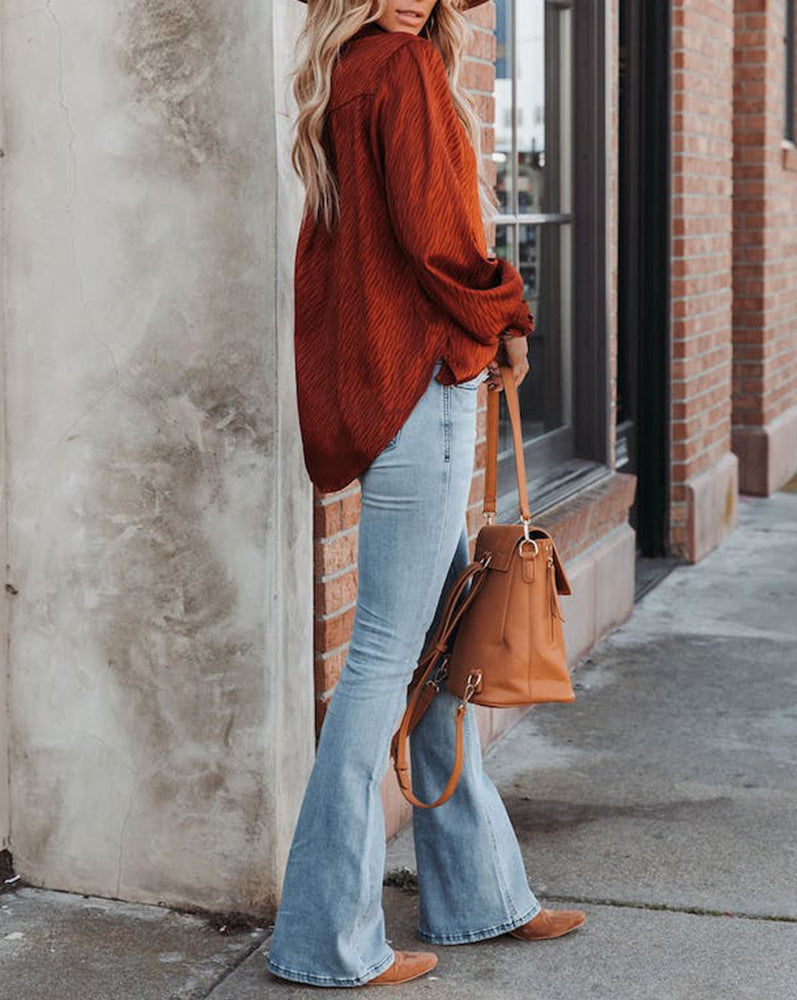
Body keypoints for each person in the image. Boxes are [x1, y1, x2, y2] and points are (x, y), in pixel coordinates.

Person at [265, 0, 585, 988]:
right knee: (378, 666)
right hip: (426, 395)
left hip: (394, 393)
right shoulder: (395, 67)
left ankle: (480, 893)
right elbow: (438, 239)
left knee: (447, 652)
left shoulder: (349, 72)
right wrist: (507, 312)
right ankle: (323, 938)